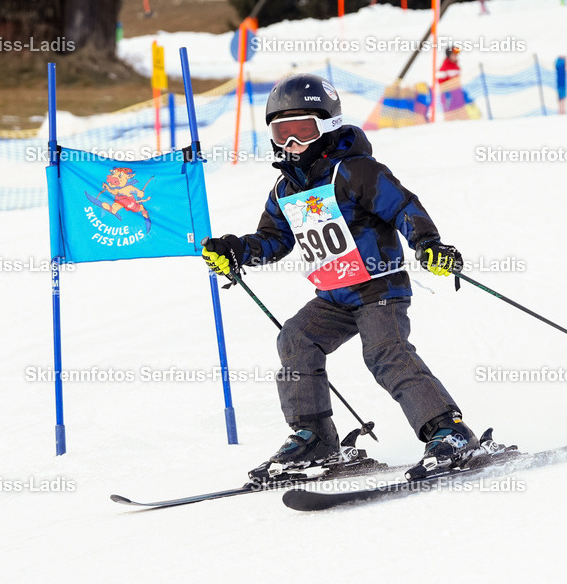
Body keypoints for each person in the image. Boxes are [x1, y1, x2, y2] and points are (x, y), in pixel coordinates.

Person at [201, 73, 511, 483]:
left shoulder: (356, 171)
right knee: (296, 338)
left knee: (384, 352)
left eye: (302, 131)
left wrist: (428, 244)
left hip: (378, 287)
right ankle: (315, 438)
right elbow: (274, 239)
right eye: (282, 133)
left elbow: (403, 207)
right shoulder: (284, 189)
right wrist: (237, 251)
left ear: (327, 126)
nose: (291, 144)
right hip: (334, 295)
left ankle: (449, 432)